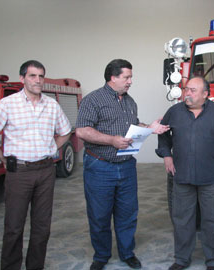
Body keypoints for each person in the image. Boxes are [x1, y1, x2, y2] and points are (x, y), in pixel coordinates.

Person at [75, 59, 169, 270]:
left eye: (130, 77)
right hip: (100, 166)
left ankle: (127, 253)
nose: (130, 81)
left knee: (127, 213)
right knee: (99, 215)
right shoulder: (93, 100)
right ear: (113, 77)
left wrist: (150, 127)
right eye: (126, 77)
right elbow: (82, 131)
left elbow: (133, 126)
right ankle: (101, 255)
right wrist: (112, 140)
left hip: (126, 166)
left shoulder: (129, 101)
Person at [0, 60, 72, 270]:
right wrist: (3, 158)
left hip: (46, 171)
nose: (38, 80)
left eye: (41, 76)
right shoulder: (7, 104)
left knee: (42, 227)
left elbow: (65, 131)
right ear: (22, 79)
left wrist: (51, 148)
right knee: (13, 227)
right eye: (32, 76)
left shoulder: (52, 105)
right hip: (19, 172)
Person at [156, 76, 214, 270]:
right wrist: (166, 155)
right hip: (182, 176)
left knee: (213, 220)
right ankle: (181, 259)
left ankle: (213, 260)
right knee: (182, 220)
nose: (187, 93)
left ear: (205, 94)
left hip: (210, 177)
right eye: (186, 89)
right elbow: (163, 134)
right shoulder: (174, 112)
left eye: (193, 90)